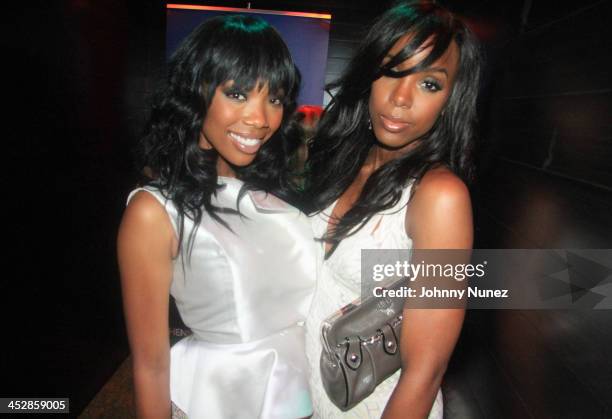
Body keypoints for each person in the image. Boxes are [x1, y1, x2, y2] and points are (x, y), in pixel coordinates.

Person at [117, 15, 317, 418]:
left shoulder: (273, 196)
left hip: (300, 398)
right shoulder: (154, 212)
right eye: (239, 94)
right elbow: (151, 367)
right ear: (197, 93)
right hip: (221, 402)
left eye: (274, 98)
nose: (261, 118)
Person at [304, 1, 482, 418]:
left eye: (430, 84)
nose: (401, 98)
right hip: (312, 393)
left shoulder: (439, 197)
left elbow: (425, 371)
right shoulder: (345, 159)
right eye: (392, 71)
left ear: (450, 100)